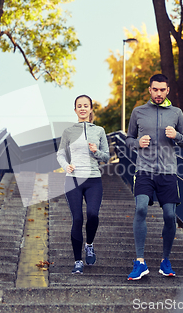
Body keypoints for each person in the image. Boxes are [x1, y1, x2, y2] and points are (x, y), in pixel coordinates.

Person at [126, 74, 183, 280]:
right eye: (155, 90)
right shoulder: (138, 112)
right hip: (144, 170)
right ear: (149, 90)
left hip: (168, 172)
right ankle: (140, 262)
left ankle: (165, 261)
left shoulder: (177, 113)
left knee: (170, 216)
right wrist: (138, 143)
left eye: (162, 90)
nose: (158, 94)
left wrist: (178, 137)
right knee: (141, 208)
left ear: (167, 91)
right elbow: (128, 139)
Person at [57, 95, 110, 274]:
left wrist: (96, 151)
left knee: (93, 215)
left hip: (94, 179)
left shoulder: (99, 131)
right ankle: (78, 261)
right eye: (79, 106)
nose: (82, 108)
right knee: (77, 219)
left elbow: (106, 156)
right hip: (73, 179)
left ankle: (89, 245)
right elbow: (60, 154)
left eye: (85, 106)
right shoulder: (68, 131)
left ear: (90, 109)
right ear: (75, 110)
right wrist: (66, 166)